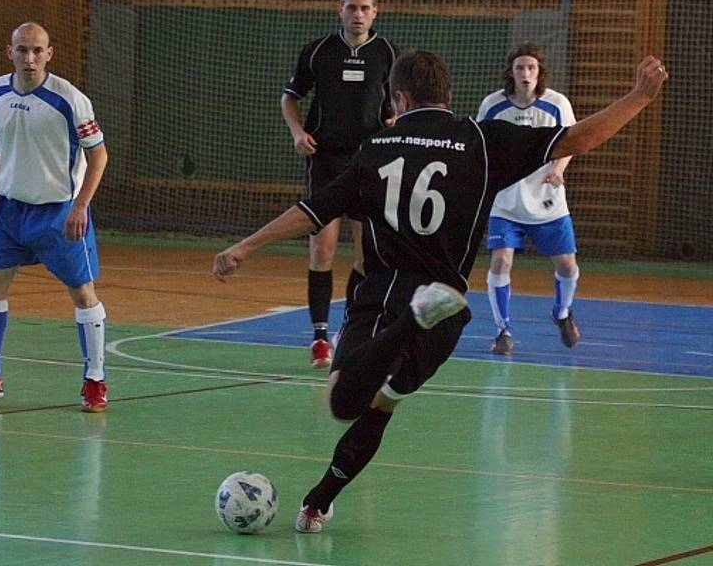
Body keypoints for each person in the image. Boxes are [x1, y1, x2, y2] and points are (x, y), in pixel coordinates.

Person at [214, 50, 667, 533]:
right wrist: (639, 97)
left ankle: (409, 321)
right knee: (383, 403)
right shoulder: (481, 139)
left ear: (400, 97)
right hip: (447, 304)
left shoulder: (378, 146)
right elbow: (577, 138)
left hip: (383, 294)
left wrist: (248, 245)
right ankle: (317, 503)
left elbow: (315, 209)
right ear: (447, 95)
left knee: (344, 403)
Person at [0, 22, 110, 413]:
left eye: (37, 50)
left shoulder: (69, 99)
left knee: (82, 294)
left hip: (58, 213)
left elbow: (99, 155)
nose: (30, 58)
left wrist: (80, 206)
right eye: (22, 50)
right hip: (10, 212)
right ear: (10, 53)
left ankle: (95, 379)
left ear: (49, 54)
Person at [281, 0, 398, 369]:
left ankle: (349, 328)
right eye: (351, 8)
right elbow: (290, 96)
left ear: (375, 12)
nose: (358, 14)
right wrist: (298, 133)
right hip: (326, 161)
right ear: (340, 10)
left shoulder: (388, 54)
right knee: (322, 250)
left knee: (367, 256)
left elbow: (395, 105)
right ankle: (318, 337)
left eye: (365, 8)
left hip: (369, 163)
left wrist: (394, 124)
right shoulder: (319, 51)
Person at [478, 42, 580, 355]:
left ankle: (562, 313)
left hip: (547, 201)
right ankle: (503, 331)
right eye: (520, 67)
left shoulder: (556, 103)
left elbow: (572, 141)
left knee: (566, 264)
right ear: (511, 72)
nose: (526, 73)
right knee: (500, 259)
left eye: (531, 67)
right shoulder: (493, 105)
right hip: (505, 200)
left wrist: (559, 169)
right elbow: (481, 145)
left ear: (539, 73)